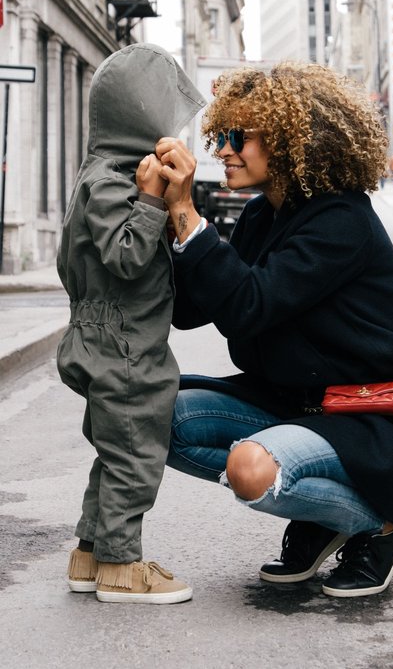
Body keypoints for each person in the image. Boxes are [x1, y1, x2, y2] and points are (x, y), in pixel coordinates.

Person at [155, 62, 393, 598]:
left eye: (236, 137)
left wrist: (188, 214)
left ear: (290, 139)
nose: (221, 151)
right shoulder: (262, 216)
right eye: (219, 136)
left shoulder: (342, 220)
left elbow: (247, 305)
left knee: (251, 470)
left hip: (370, 419)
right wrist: (163, 212)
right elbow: (193, 308)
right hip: (291, 404)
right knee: (155, 420)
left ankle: (379, 522)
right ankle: (323, 512)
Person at [56, 42, 205, 603]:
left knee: (114, 452)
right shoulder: (117, 182)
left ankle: (90, 554)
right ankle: (123, 567)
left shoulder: (99, 174)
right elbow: (125, 256)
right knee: (137, 457)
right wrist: (150, 202)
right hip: (124, 345)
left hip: (103, 336)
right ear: (141, 115)